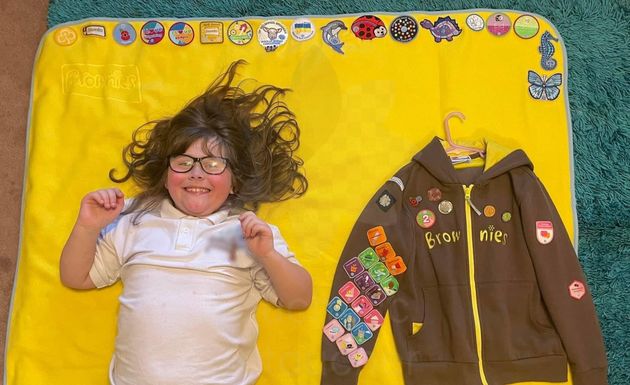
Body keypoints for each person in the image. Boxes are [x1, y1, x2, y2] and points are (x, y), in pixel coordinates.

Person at [59, 60, 312, 385]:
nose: (196, 172)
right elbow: (75, 276)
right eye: (183, 162)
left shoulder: (247, 232)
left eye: (213, 164)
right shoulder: (135, 219)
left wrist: (269, 255)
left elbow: (299, 298)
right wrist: (87, 227)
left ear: (234, 183)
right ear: (165, 176)